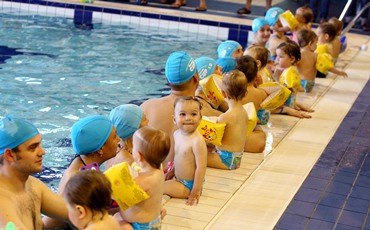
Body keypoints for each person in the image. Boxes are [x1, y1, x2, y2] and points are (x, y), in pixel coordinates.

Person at [43, 115, 120, 228]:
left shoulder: (82, 162)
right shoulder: (79, 179)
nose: (118, 139)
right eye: (114, 137)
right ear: (100, 150)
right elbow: (50, 222)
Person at [0, 116, 69, 230]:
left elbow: (76, 214)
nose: (42, 152)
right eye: (33, 148)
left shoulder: (33, 185)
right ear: (10, 155)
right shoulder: (2, 202)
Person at [141, 51, 199, 175]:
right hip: (181, 180)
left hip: (150, 179)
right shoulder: (199, 115)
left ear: (167, 79)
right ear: (195, 78)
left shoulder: (146, 107)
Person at [115, 126, 170, 229]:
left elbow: (122, 198)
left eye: (133, 146)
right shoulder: (159, 170)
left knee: (113, 222)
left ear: (139, 156)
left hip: (139, 226)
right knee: (117, 217)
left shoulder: (143, 180)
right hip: (153, 222)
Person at [163, 96, 207, 205]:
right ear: (174, 119)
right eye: (182, 114)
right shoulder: (176, 134)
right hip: (178, 179)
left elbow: (201, 168)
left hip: (189, 185)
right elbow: (179, 157)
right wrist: (172, 170)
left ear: (200, 118)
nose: (188, 118)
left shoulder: (197, 141)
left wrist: (195, 191)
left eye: (193, 114)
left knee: (156, 188)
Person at [207, 70, 249, 169]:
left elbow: (214, 139)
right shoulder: (245, 113)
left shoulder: (224, 117)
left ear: (223, 93)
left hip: (225, 159)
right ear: (246, 93)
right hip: (237, 159)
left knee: (196, 155)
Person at [297, 29, 348, 93]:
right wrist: (339, 72)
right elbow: (327, 66)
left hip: (299, 82)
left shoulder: (298, 55)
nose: (316, 46)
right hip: (309, 83)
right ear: (310, 44)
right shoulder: (315, 55)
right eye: (316, 44)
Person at [275, 41, 314, 116]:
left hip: (286, 105)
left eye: (280, 57)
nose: (277, 59)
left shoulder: (289, 72)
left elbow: (288, 90)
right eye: (277, 56)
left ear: (292, 59)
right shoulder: (288, 70)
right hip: (289, 103)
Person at [105, 104, 149, 169]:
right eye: (144, 119)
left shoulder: (113, 150)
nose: (148, 120)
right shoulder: (131, 163)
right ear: (135, 130)